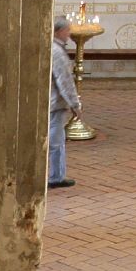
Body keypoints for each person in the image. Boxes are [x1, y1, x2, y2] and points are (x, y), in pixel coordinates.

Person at [48, 17, 81, 189]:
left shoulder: (51, 48)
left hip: (50, 102)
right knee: (56, 142)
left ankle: (56, 175)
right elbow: (65, 81)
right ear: (58, 31)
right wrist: (75, 104)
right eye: (67, 30)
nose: (69, 34)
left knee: (55, 140)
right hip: (55, 103)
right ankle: (55, 177)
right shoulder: (57, 52)